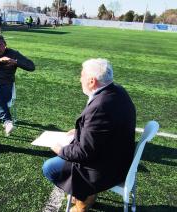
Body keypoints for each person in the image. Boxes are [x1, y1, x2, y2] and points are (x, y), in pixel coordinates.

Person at [42, 58, 136, 211]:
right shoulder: (118, 91)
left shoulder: (99, 106)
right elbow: (107, 129)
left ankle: (83, 200)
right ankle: (85, 194)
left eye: (82, 75)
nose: (80, 79)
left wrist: (60, 149)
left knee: (49, 167)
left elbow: (84, 153)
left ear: (92, 81)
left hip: (105, 169)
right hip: (119, 158)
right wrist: (80, 131)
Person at [0, 35, 35, 155]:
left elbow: (31, 66)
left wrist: (16, 62)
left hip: (5, 88)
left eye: (0, 45)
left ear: (5, 44)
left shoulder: (13, 53)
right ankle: (7, 121)